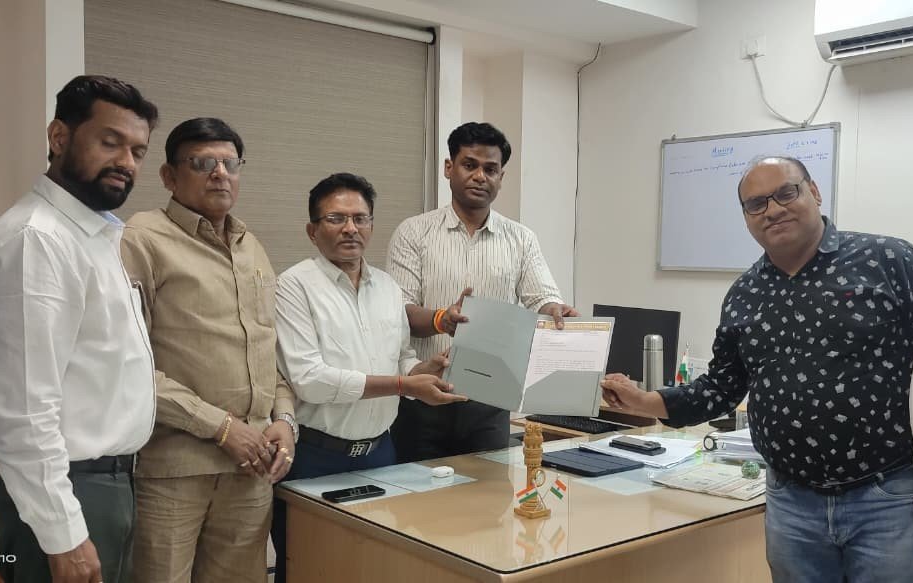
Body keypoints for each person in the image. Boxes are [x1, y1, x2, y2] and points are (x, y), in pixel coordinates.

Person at [600, 156, 913, 582]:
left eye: (785, 193)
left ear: (814, 192)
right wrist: (646, 401)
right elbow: (721, 387)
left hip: (885, 494)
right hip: (791, 501)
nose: (772, 210)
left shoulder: (887, 260)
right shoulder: (745, 293)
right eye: (756, 204)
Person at [0, 75, 158, 583]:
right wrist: (64, 535)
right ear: (59, 137)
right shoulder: (38, 240)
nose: (126, 162)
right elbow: (25, 410)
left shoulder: (93, 236)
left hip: (107, 485)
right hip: (70, 491)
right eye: (110, 142)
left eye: (138, 151)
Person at [118, 118, 296, 583]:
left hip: (251, 469)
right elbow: (127, 365)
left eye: (230, 163)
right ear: (169, 176)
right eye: (202, 163)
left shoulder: (251, 247)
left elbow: (266, 349)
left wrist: (284, 419)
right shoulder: (142, 238)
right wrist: (221, 428)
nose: (220, 173)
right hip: (175, 470)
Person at [270, 172, 465, 583]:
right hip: (316, 457)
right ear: (312, 230)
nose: (350, 228)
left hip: (381, 455)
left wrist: (424, 372)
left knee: (374, 568)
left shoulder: (389, 288)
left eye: (360, 218)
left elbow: (402, 359)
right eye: (336, 219)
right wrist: (402, 385)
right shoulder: (293, 286)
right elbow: (309, 379)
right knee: (310, 568)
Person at [386, 122, 578, 462]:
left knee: (490, 493)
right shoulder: (414, 233)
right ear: (449, 168)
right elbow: (398, 313)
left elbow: (542, 298)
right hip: (424, 397)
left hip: (490, 402)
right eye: (469, 165)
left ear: (501, 177)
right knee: (417, 494)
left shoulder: (521, 239)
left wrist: (555, 311)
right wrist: (442, 319)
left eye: (490, 169)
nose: (480, 176)